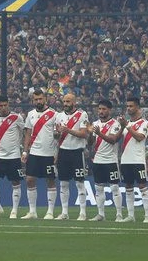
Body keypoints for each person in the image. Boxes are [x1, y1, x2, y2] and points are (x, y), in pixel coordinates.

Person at [21, 90, 59, 219]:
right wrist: (25, 151)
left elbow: (58, 135)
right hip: (34, 153)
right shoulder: (30, 114)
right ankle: (32, 212)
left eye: (40, 99)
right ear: (33, 100)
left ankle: (50, 212)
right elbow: (28, 134)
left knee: (50, 181)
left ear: (45, 99)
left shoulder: (54, 114)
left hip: (49, 154)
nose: (38, 101)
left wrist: (56, 152)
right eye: (36, 99)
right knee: (30, 180)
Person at [54, 92, 91, 220]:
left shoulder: (82, 114)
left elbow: (83, 134)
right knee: (63, 183)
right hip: (63, 152)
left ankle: (82, 213)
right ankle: (64, 212)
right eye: (64, 101)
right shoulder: (59, 116)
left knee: (80, 183)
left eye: (68, 101)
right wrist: (57, 133)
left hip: (77, 152)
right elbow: (57, 136)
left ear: (74, 102)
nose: (65, 104)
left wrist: (67, 130)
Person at [0, 94, 25, 219]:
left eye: (5, 105)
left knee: (16, 182)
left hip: (14, 156)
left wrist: (22, 148)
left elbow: (24, 132)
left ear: (8, 105)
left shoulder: (16, 117)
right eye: (1, 105)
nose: (3, 107)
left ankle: (14, 210)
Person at [87, 99, 124, 222]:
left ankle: (119, 214)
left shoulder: (115, 124)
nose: (101, 111)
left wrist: (99, 132)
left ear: (109, 110)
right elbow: (91, 143)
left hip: (111, 161)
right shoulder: (95, 123)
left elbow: (113, 140)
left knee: (114, 187)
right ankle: (100, 214)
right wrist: (91, 135)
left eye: (104, 109)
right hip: (98, 160)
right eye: (99, 109)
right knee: (98, 188)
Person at [118, 97, 148, 223]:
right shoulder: (126, 123)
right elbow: (117, 139)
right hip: (125, 160)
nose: (128, 108)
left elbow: (139, 137)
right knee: (128, 187)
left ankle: (147, 216)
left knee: (143, 187)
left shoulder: (144, 123)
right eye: (127, 106)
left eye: (131, 106)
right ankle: (130, 215)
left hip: (138, 160)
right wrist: (123, 127)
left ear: (137, 107)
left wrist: (127, 126)